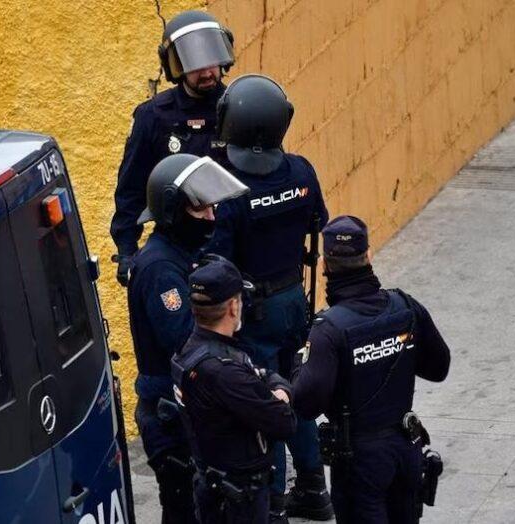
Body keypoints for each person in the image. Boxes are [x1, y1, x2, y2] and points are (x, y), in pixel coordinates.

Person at [204, 74, 332, 522]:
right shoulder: (301, 171)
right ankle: (314, 489)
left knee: (264, 402)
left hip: (251, 309)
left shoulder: (227, 188)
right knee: (295, 391)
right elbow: (319, 221)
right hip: (294, 298)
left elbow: (215, 258)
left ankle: (274, 502)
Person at [291, 215, 451, 523]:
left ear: (324, 264)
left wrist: (300, 363)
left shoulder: (329, 329)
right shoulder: (405, 306)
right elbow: (438, 367)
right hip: (406, 447)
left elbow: (307, 403)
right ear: (368, 255)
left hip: (360, 461)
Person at [128, 154, 248, 523]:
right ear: (171, 212)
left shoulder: (182, 255)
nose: (211, 217)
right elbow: (184, 340)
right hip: (169, 412)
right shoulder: (161, 269)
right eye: (200, 210)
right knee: (185, 510)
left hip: (187, 407)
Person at [111, 9, 235, 286]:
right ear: (175, 66)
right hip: (179, 245)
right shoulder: (153, 117)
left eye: (211, 60)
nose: (206, 71)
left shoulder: (239, 106)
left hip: (233, 239)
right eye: (195, 64)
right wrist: (127, 249)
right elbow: (131, 189)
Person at [171, 256, 297, 523]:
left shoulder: (195, 350)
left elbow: (263, 375)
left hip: (217, 484)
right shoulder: (224, 371)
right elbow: (284, 421)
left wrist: (269, 383)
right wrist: (280, 392)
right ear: (232, 307)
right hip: (239, 498)